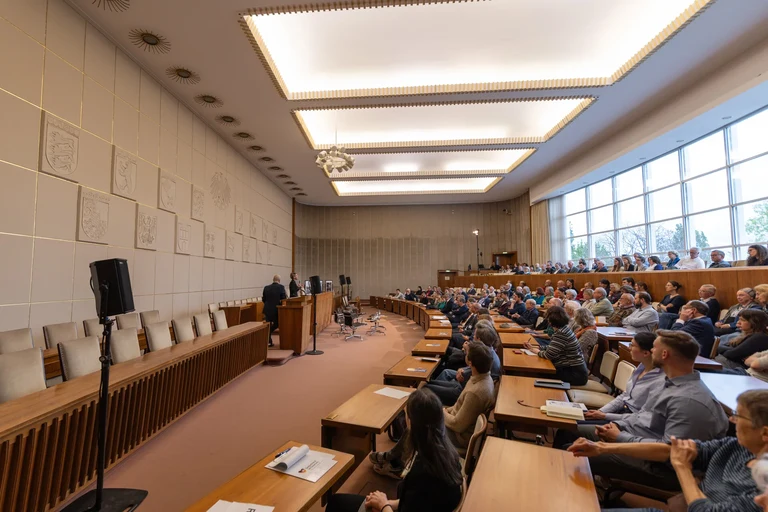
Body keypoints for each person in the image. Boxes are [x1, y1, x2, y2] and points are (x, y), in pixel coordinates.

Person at [561, 330, 729, 491]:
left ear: (664, 355)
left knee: (572, 453)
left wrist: (619, 437)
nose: (651, 350)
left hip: (660, 467)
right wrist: (617, 425)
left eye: (654, 347)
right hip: (637, 437)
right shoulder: (668, 382)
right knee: (568, 429)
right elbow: (641, 417)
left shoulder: (688, 400)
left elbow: (670, 452)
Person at [569, 389, 768, 512]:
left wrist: (682, 468)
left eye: (738, 417)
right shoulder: (736, 446)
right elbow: (669, 450)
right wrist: (601, 447)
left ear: (764, 433)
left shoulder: (763, 484)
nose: (733, 421)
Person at [329, 388, 463, 512]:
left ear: (410, 422)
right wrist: (387, 502)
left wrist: (383, 505)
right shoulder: (448, 454)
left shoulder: (422, 470)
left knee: (336, 503)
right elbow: (418, 502)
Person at [582, 332, 664, 423]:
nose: (629, 348)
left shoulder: (659, 381)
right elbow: (624, 397)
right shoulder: (640, 368)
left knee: (577, 427)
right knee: (578, 419)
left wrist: (605, 416)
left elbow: (641, 417)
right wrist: (601, 411)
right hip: (620, 413)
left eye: (632, 345)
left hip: (630, 422)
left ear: (646, 353)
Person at [524, 306, 589, 385]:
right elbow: (554, 347)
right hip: (572, 370)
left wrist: (537, 351)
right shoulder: (563, 329)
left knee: (535, 373)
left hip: (574, 374)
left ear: (551, 320)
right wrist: (538, 347)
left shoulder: (561, 333)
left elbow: (549, 355)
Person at [262, 275, 287, 343]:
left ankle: (269, 340)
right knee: (277, 324)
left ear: (273, 280)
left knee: (268, 323)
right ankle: (269, 333)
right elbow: (283, 299)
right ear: (279, 280)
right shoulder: (281, 287)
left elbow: (263, 299)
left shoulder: (266, 287)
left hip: (267, 309)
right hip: (276, 309)